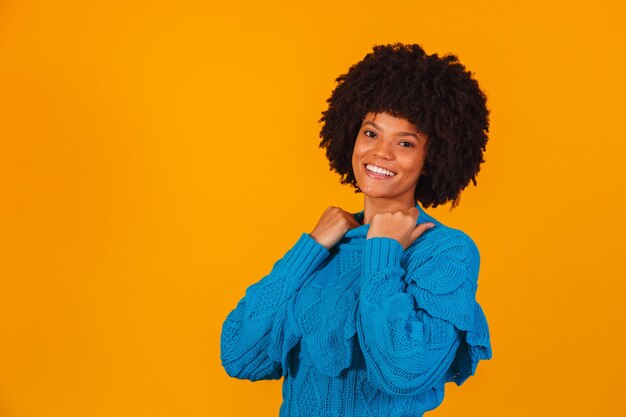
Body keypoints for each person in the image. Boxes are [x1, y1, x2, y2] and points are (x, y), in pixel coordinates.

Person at [220, 43, 492, 417]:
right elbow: (239, 355)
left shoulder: (444, 250)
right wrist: (310, 248)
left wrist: (383, 253)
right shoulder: (327, 247)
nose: (381, 153)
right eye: (371, 133)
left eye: (406, 142)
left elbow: (402, 372)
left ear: (432, 158)